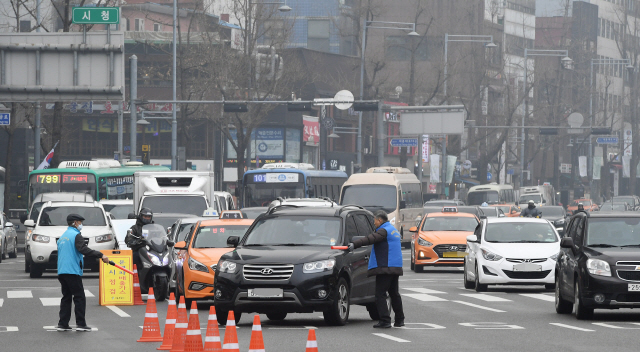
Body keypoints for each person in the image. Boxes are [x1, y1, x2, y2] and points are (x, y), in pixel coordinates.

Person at [349, 211, 405, 329]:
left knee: (380, 294)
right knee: (394, 294)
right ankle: (400, 319)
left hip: (386, 267)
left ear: (380, 220)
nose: (374, 223)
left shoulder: (383, 231)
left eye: (375, 220)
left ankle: (385, 320)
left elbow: (370, 239)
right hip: (395, 266)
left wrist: (355, 244)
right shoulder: (393, 230)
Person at [57, 214, 109, 332]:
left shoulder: (63, 236)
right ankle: (81, 323)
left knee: (66, 297)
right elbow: (83, 249)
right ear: (75, 223)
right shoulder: (76, 235)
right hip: (72, 270)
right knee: (79, 297)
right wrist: (100, 255)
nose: (81, 224)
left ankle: (63, 323)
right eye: (80, 222)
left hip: (62, 271)